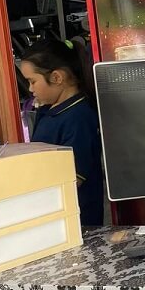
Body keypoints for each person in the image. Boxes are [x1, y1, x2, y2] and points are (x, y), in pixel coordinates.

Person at [20, 39, 104, 226]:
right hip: (50, 214)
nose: (30, 89)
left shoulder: (79, 117)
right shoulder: (48, 109)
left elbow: (73, 178)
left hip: (75, 221)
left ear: (57, 77)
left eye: (32, 81)